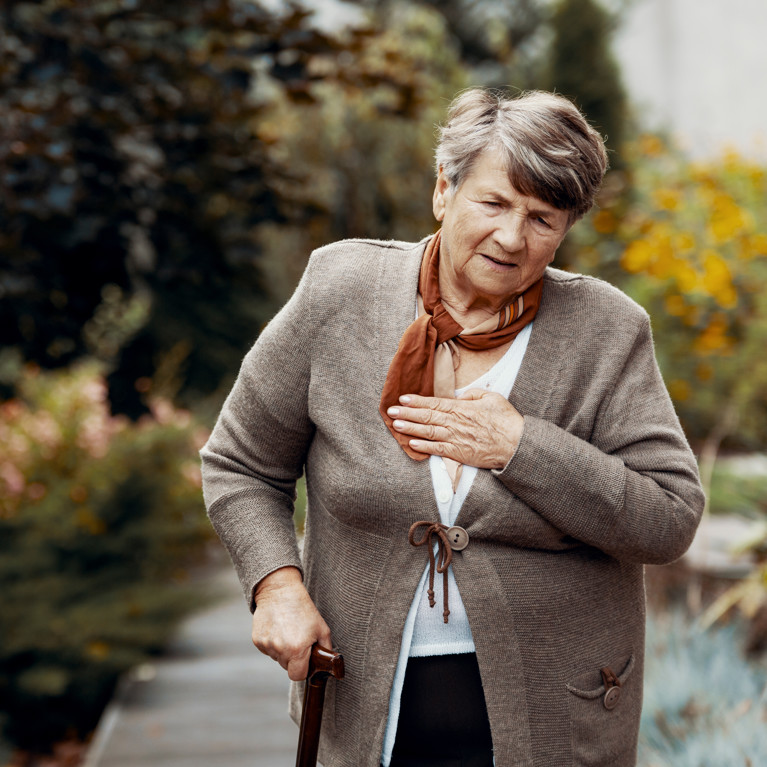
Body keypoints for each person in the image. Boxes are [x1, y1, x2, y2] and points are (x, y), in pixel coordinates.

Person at [200, 88, 705, 767]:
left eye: (541, 218)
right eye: (493, 203)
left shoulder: (607, 331)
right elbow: (242, 462)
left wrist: (520, 447)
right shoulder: (340, 290)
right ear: (444, 188)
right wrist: (276, 584)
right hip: (359, 711)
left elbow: (668, 517)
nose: (510, 237)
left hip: (558, 721)